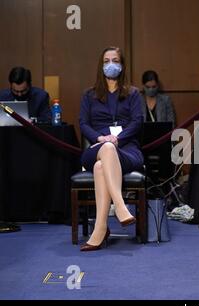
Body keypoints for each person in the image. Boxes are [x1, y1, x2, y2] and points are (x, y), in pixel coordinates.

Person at [79, 46, 144, 251]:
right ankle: (120, 206)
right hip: (96, 147)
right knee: (105, 148)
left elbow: (137, 122)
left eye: (115, 60)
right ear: (101, 65)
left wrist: (117, 139)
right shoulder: (89, 95)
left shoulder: (133, 93)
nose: (110, 65)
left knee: (100, 167)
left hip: (127, 149)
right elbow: (83, 123)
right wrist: (100, 138)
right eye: (106, 61)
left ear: (122, 65)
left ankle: (100, 229)